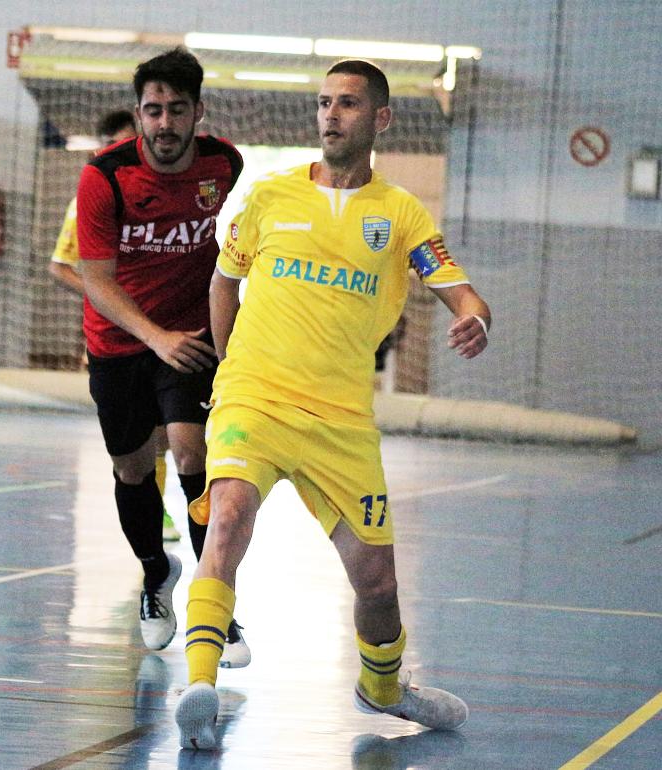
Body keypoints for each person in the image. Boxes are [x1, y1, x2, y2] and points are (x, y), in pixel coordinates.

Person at [174, 59, 492, 749]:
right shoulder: (268, 197)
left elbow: (461, 292)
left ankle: (385, 688)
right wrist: (231, 371)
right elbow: (224, 284)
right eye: (323, 103)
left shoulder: (401, 215)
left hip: (340, 422)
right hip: (255, 401)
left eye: (347, 104)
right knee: (227, 521)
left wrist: (476, 320)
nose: (330, 115)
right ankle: (198, 687)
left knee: (377, 583)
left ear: (381, 119)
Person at [75, 47, 249, 665]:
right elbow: (95, 279)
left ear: (198, 112)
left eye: (177, 109)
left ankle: (214, 604)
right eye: (153, 110)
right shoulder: (105, 176)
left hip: (191, 337)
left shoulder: (225, 165)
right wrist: (154, 337)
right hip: (120, 342)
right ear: (138, 115)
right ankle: (156, 574)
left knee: (192, 452)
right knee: (131, 469)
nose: (165, 123)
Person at [49, 109, 182, 544]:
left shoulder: (163, 196)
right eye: (114, 144)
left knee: (167, 432)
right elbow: (60, 266)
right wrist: (105, 296)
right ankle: (147, 508)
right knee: (136, 439)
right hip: (113, 341)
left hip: (160, 333)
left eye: (129, 142)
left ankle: (157, 509)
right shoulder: (86, 202)